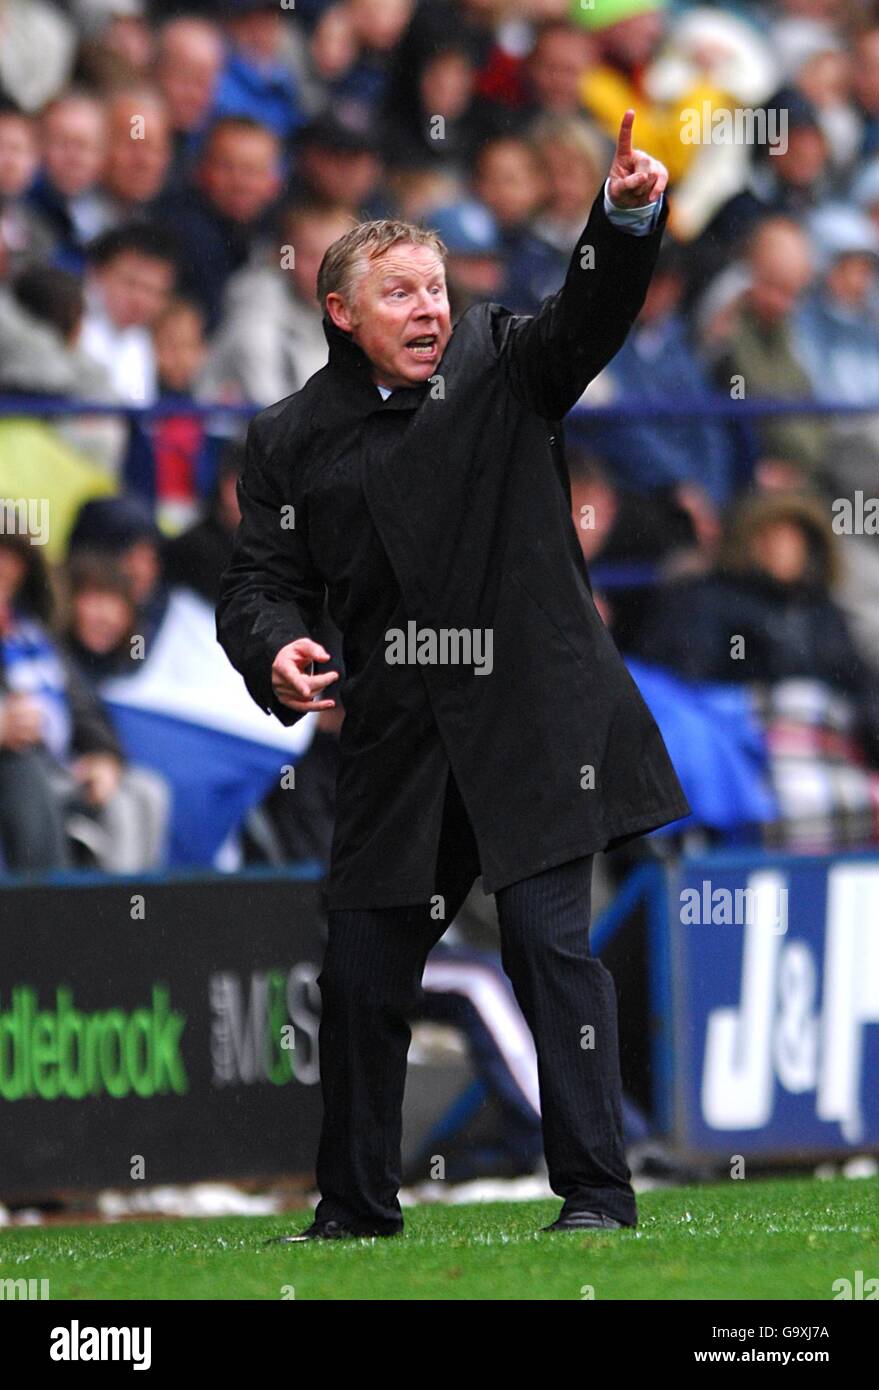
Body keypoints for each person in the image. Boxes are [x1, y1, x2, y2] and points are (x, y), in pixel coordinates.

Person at [217, 111, 689, 1241]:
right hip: (397, 728)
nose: (428, 309)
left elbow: (592, 313)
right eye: (399, 294)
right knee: (367, 976)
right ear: (339, 311)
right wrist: (273, 648)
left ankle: (596, 1196)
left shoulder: (505, 361)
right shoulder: (288, 435)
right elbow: (258, 581)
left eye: (435, 288)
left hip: (533, 707)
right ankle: (353, 1213)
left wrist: (622, 220)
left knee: (545, 943)